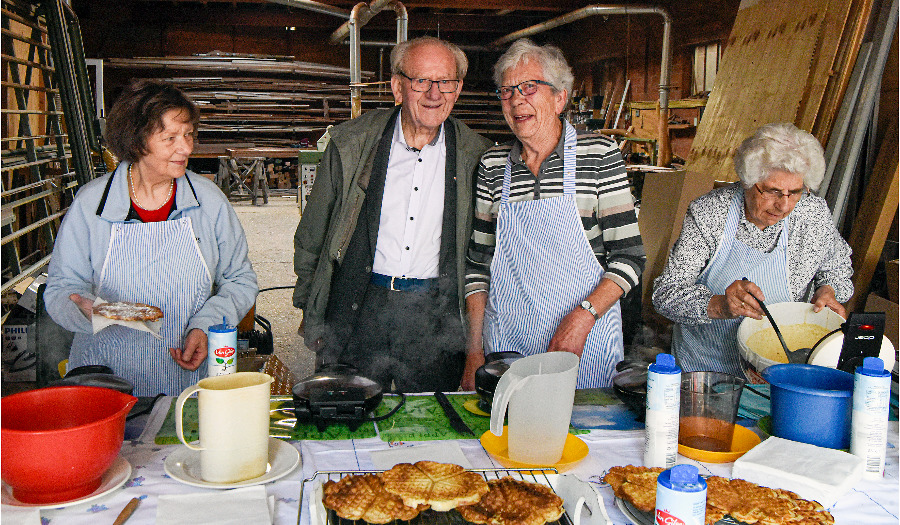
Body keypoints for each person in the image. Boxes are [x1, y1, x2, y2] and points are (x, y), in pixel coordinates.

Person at [293, 36, 493, 393]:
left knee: (430, 424)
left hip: (436, 319)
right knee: (349, 419)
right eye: (421, 81)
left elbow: (484, 258)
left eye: (445, 81)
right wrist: (313, 313)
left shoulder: (478, 156)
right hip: (358, 309)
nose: (435, 93)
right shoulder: (351, 144)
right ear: (397, 87)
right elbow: (312, 237)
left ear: (458, 88)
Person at [44, 79, 258, 396]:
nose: (185, 148)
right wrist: (83, 310)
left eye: (188, 135)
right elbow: (61, 287)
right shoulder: (92, 205)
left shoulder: (208, 202)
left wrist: (207, 324)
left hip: (188, 377)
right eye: (170, 138)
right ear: (138, 140)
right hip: (106, 377)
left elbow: (240, 279)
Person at [463, 39, 645, 390]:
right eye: (507, 91)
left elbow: (630, 258)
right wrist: (474, 351)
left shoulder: (599, 155)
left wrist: (582, 318)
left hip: (584, 341)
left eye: (529, 87)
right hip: (507, 345)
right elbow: (478, 267)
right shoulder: (492, 165)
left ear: (560, 98)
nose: (517, 100)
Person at [652, 122, 853, 377]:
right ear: (748, 181)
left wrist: (827, 291)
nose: (783, 205)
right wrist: (719, 305)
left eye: (795, 192)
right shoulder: (710, 213)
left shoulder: (812, 214)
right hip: (708, 373)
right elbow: (665, 295)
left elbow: (836, 267)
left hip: (778, 369)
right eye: (772, 191)